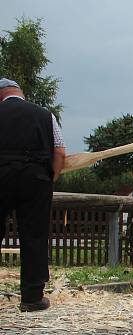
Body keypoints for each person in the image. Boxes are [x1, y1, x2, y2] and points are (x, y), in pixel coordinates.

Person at [0, 78, 65, 312]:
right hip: (36, 177)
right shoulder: (45, 114)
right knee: (34, 236)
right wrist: (51, 178)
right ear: (19, 92)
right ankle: (32, 297)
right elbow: (59, 150)